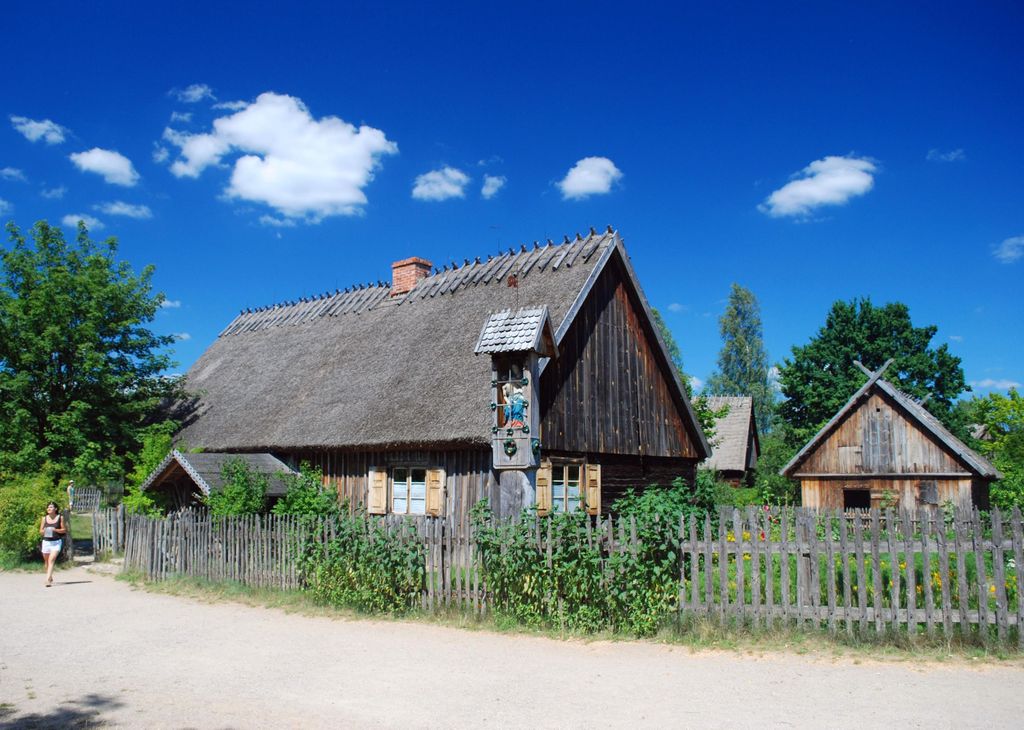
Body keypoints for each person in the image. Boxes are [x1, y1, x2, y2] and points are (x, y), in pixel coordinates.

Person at [39, 501, 67, 586]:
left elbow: (64, 530)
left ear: (55, 509)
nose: (49, 508)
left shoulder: (60, 518)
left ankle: (47, 580)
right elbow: (40, 531)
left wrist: (55, 530)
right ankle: (50, 576)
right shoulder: (44, 518)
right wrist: (45, 531)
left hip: (56, 542)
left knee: (51, 560)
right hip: (46, 542)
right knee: (47, 562)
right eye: (48, 507)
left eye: (51, 507)